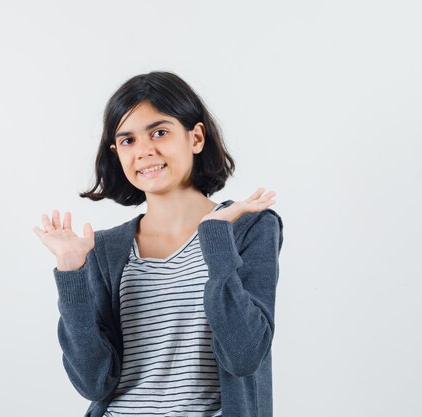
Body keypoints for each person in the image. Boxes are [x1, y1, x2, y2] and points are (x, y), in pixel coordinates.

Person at [33, 71, 284, 417]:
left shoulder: (247, 227)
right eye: (128, 141)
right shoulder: (105, 250)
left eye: (160, 132)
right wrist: (71, 273)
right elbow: (92, 382)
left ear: (196, 138)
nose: (144, 151)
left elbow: (244, 354)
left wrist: (214, 239)